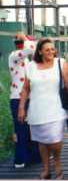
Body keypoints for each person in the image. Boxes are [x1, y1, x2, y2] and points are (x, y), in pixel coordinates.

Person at [17, 38, 68, 179]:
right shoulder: (30, 66)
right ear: (40, 51)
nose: (50, 52)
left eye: (52, 49)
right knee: (42, 141)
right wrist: (21, 108)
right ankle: (46, 169)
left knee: (55, 140)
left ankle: (57, 164)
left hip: (56, 109)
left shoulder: (61, 63)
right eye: (47, 49)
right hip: (36, 110)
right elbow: (25, 89)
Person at [8, 32, 40, 168]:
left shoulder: (27, 61)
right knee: (20, 129)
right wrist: (24, 37)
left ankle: (34, 156)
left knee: (31, 128)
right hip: (17, 98)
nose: (21, 44)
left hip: (30, 97)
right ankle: (20, 159)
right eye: (20, 42)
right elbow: (32, 48)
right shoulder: (14, 56)